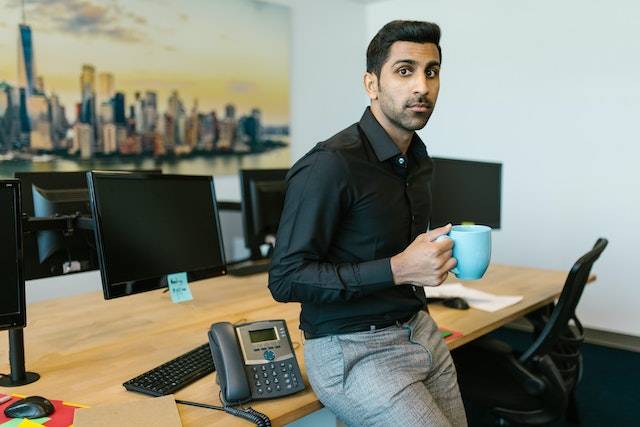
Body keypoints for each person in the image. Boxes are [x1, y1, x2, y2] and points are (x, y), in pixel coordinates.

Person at [268, 20, 467, 427]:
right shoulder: (330, 165)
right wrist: (399, 269)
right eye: (405, 70)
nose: (422, 87)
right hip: (352, 348)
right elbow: (286, 279)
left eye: (432, 72)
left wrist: (428, 258)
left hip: (419, 331)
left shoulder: (417, 160)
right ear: (372, 84)